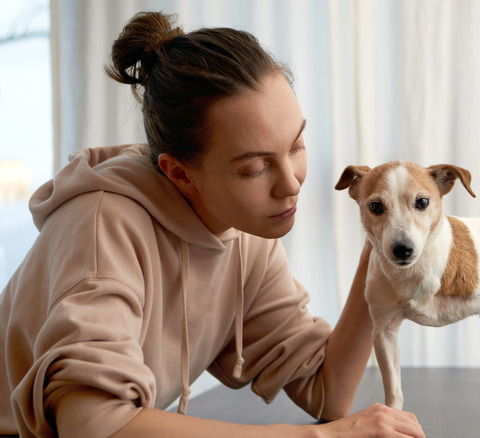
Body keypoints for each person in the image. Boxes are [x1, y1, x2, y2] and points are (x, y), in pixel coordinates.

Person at [0, 11, 424, 438]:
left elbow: (326, 387)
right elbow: (91, 423)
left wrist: (385, 239)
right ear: (181, 174)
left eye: (296, 144)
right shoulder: (101, 227)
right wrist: (320, 436)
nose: (291, 182)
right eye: (256, 167)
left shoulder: (243, 230)